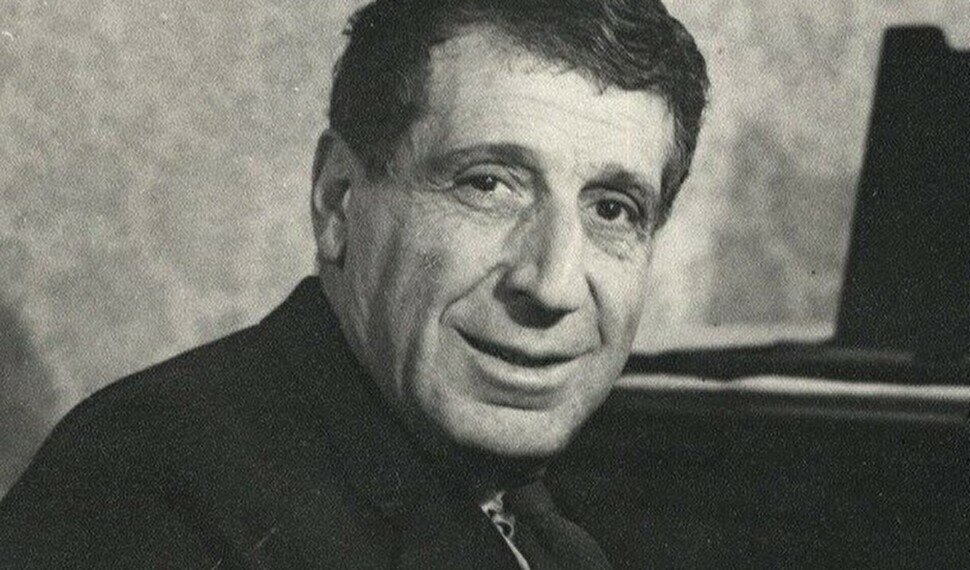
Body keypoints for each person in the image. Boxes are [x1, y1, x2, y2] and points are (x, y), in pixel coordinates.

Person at [0, 0, 708, 566]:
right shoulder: (152, 493)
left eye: (613, 209)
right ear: (338, 201)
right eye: (487, 184)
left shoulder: (549, 539)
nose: (553, 285)